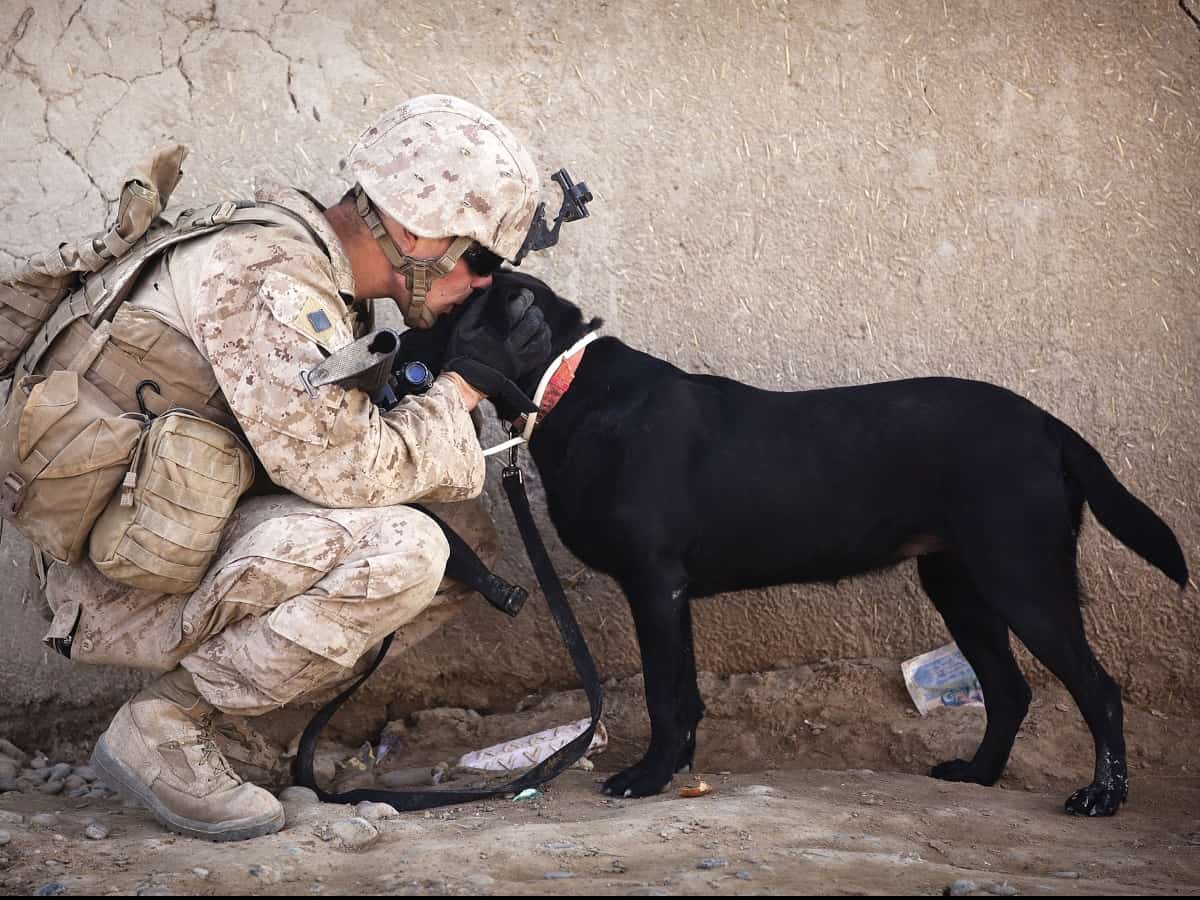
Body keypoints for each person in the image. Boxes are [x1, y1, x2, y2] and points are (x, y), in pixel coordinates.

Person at [37, 94, 555, 841]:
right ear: (412, 230)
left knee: (461, 541)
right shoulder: (269, 280)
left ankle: (220, 715)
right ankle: (168, 727)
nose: (480, 282)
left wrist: (435, 374)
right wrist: (462, 386)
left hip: (156, 533)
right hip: (114, 581)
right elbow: (345, 470)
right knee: (411, 552)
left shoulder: (299, 260)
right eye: (477, 260)